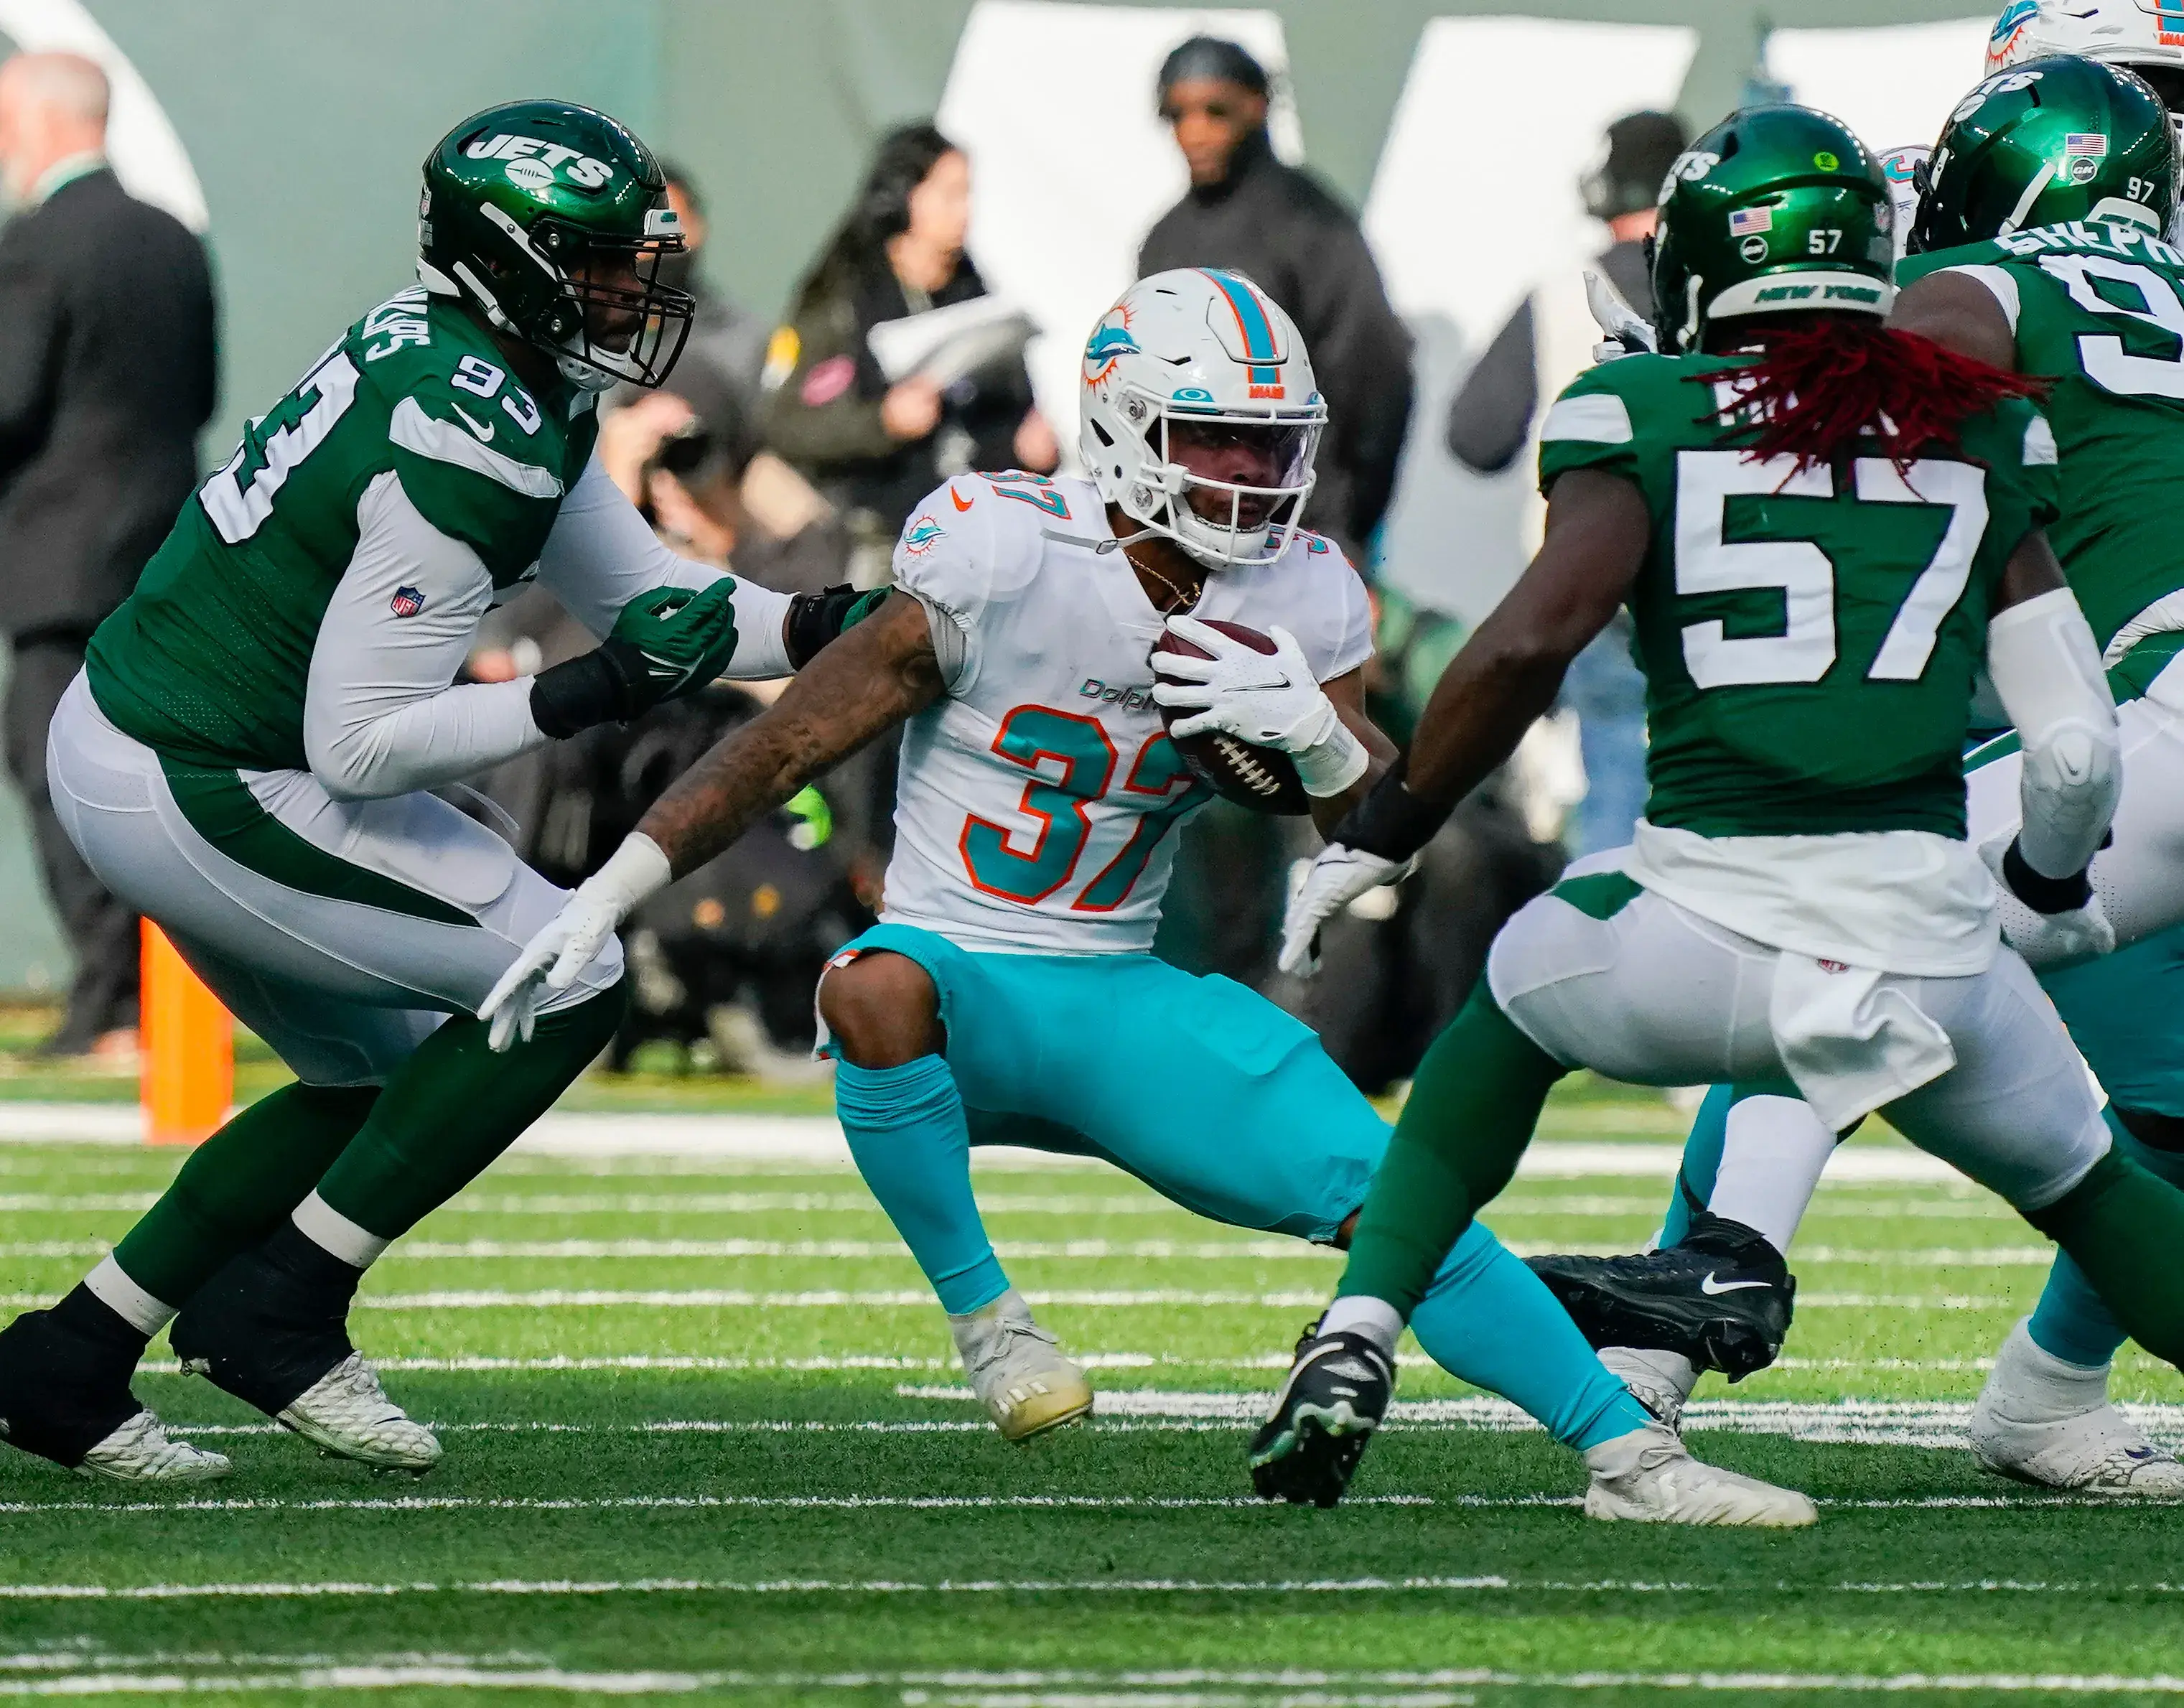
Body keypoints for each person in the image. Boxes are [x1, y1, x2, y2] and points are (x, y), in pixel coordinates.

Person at [482, 267, 1803, 1525]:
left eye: (1267, 442)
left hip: (1117, 996)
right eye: (1214, 438)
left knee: (1393, 1187)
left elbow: (1377, 825)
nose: (1249, 472)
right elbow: (784, 742)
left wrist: (1327, 743)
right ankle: (992, 1325)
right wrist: (614, 881)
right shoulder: (1001, 547)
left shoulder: (1303, 592)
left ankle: (1626, 1450)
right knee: (870, 983)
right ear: (1123, 429)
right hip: (966, 977)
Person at [1254, 103, 2184, 1522]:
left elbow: (1521, 647)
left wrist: (1384, 824)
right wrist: (2052, 896)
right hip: (1963, 909)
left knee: (1519, 991)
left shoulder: (1661, 407)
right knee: (2099, 1172)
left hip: (1714, 922)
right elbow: (2068, 754)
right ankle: (1834, 1299)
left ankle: (1380, 1326)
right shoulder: (1994, 435)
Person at [0, 98, 872, 1487]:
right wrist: (588, 690)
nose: (626, 294)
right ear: (510, 261)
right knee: (564, 975)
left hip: (178, 740)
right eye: (593, 263)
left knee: (383, 1070)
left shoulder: (494, 372)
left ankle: (72, 1354)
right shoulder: (473, 433)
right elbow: (364, 742)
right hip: (207, 770)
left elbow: (651, 598)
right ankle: (281, 1304)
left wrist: (841, 625)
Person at [1519, 54, 2184, 1498]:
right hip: (2135, 727)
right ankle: (2050, 1388)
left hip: (2155, 734)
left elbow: (1865, 379)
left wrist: (1691, 341)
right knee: (2175, 1098)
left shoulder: (2001, 283)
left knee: (1850, 922)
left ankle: (1705, 1285)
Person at [0, 52, 215, 1060]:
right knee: (140, 771)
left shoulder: (41, 243)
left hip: (59, 553)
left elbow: (9, 398)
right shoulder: (171, 238)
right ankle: (150, 995)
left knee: (54, 761)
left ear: (36, 125)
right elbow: (202, 394)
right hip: (162, 545)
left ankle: (114, 1001)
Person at [1445, 111, 1686, 857]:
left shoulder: (1558, 294)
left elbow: (1475, 438)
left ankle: (1606, 949)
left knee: (1614, 774)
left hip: (1588, 575)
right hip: (1712, 569)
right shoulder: (1721, 284)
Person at [1138, 36, 1412, 566]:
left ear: (1257, 105)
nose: (1195, 131)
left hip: (1304, 531)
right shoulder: (1162, 241)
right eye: (1177, 114)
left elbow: (1379, 376)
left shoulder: (1311, 225)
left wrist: (1349, 528)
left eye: (1215, 110)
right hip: (1187, 529)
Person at [765, 123, 1056, 550]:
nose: (965, 210)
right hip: (873, 536)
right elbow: (784, 422)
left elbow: (1009, 410)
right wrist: (882, 423)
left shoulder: (974, 294)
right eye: (949, 194)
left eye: (968, 193)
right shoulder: (842, 303)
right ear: (904, 198)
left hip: (976, 532)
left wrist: (1028, 448)